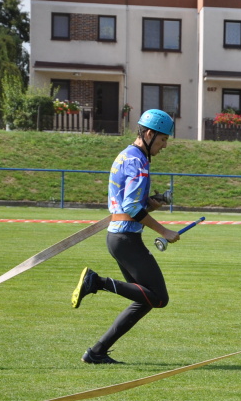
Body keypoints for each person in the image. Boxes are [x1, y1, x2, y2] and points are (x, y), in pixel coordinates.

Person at [70, 109, 181, 364]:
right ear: (149, 134)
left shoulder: (126, 155)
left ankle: (97, 352)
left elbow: (128, 203)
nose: (164, 146)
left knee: (144, 298)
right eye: (163, 139)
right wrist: (164, 231)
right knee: (159, 297)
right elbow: (130, 207)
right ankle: (96, 282)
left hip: (120, 237)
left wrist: (150, 204)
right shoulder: (138, 162)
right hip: (125, 239)